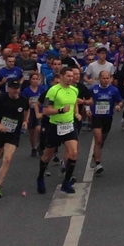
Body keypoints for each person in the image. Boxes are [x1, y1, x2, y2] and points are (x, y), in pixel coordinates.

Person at [37, 67, 81, 195]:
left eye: (72, 76)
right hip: (55, 126)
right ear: (61, 76)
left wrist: (76, 113)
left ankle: (66, 182)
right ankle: (40, 177)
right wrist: (61, 110)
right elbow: (45, 110)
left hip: (69, 126)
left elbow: (74, 103)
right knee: (47, 156)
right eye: (68, 75)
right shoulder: (53, 91)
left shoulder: (74, 90)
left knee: (73, 152)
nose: (71, 78)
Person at [0, 79, 29, 197]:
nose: (16, 90)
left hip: (13, 134)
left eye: (17, 88)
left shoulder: (23, 100)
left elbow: (27, 110)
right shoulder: (0, 99)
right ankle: (1, 151)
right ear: (8, 88)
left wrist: (25, 120)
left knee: (7, 159)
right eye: (13, 88)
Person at [86, 70, 122, 175]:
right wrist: (88, 108)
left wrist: (119, 106)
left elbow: (120, 100)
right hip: (96, 117)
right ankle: (98, 164)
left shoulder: (114, 90)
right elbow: (88, 100)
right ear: (99, 79)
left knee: (102, 140)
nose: (106, 80)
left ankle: (94, 155)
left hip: (108, 117)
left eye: (108, 78)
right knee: (98, 139)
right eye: (104, 78)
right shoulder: (94, 89)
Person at [21, 73, 45, 157]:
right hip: (30, 113)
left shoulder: (42, 89)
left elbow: (46, 99)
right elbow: (23, 103)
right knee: (31, 133)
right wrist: (28, 102)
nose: (35, 81)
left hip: (39, 112)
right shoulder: (26, 90)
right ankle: (33, 148)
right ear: (30, 80)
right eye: (33, 79)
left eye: (36, 79)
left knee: (39, 129)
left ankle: (40, 146)